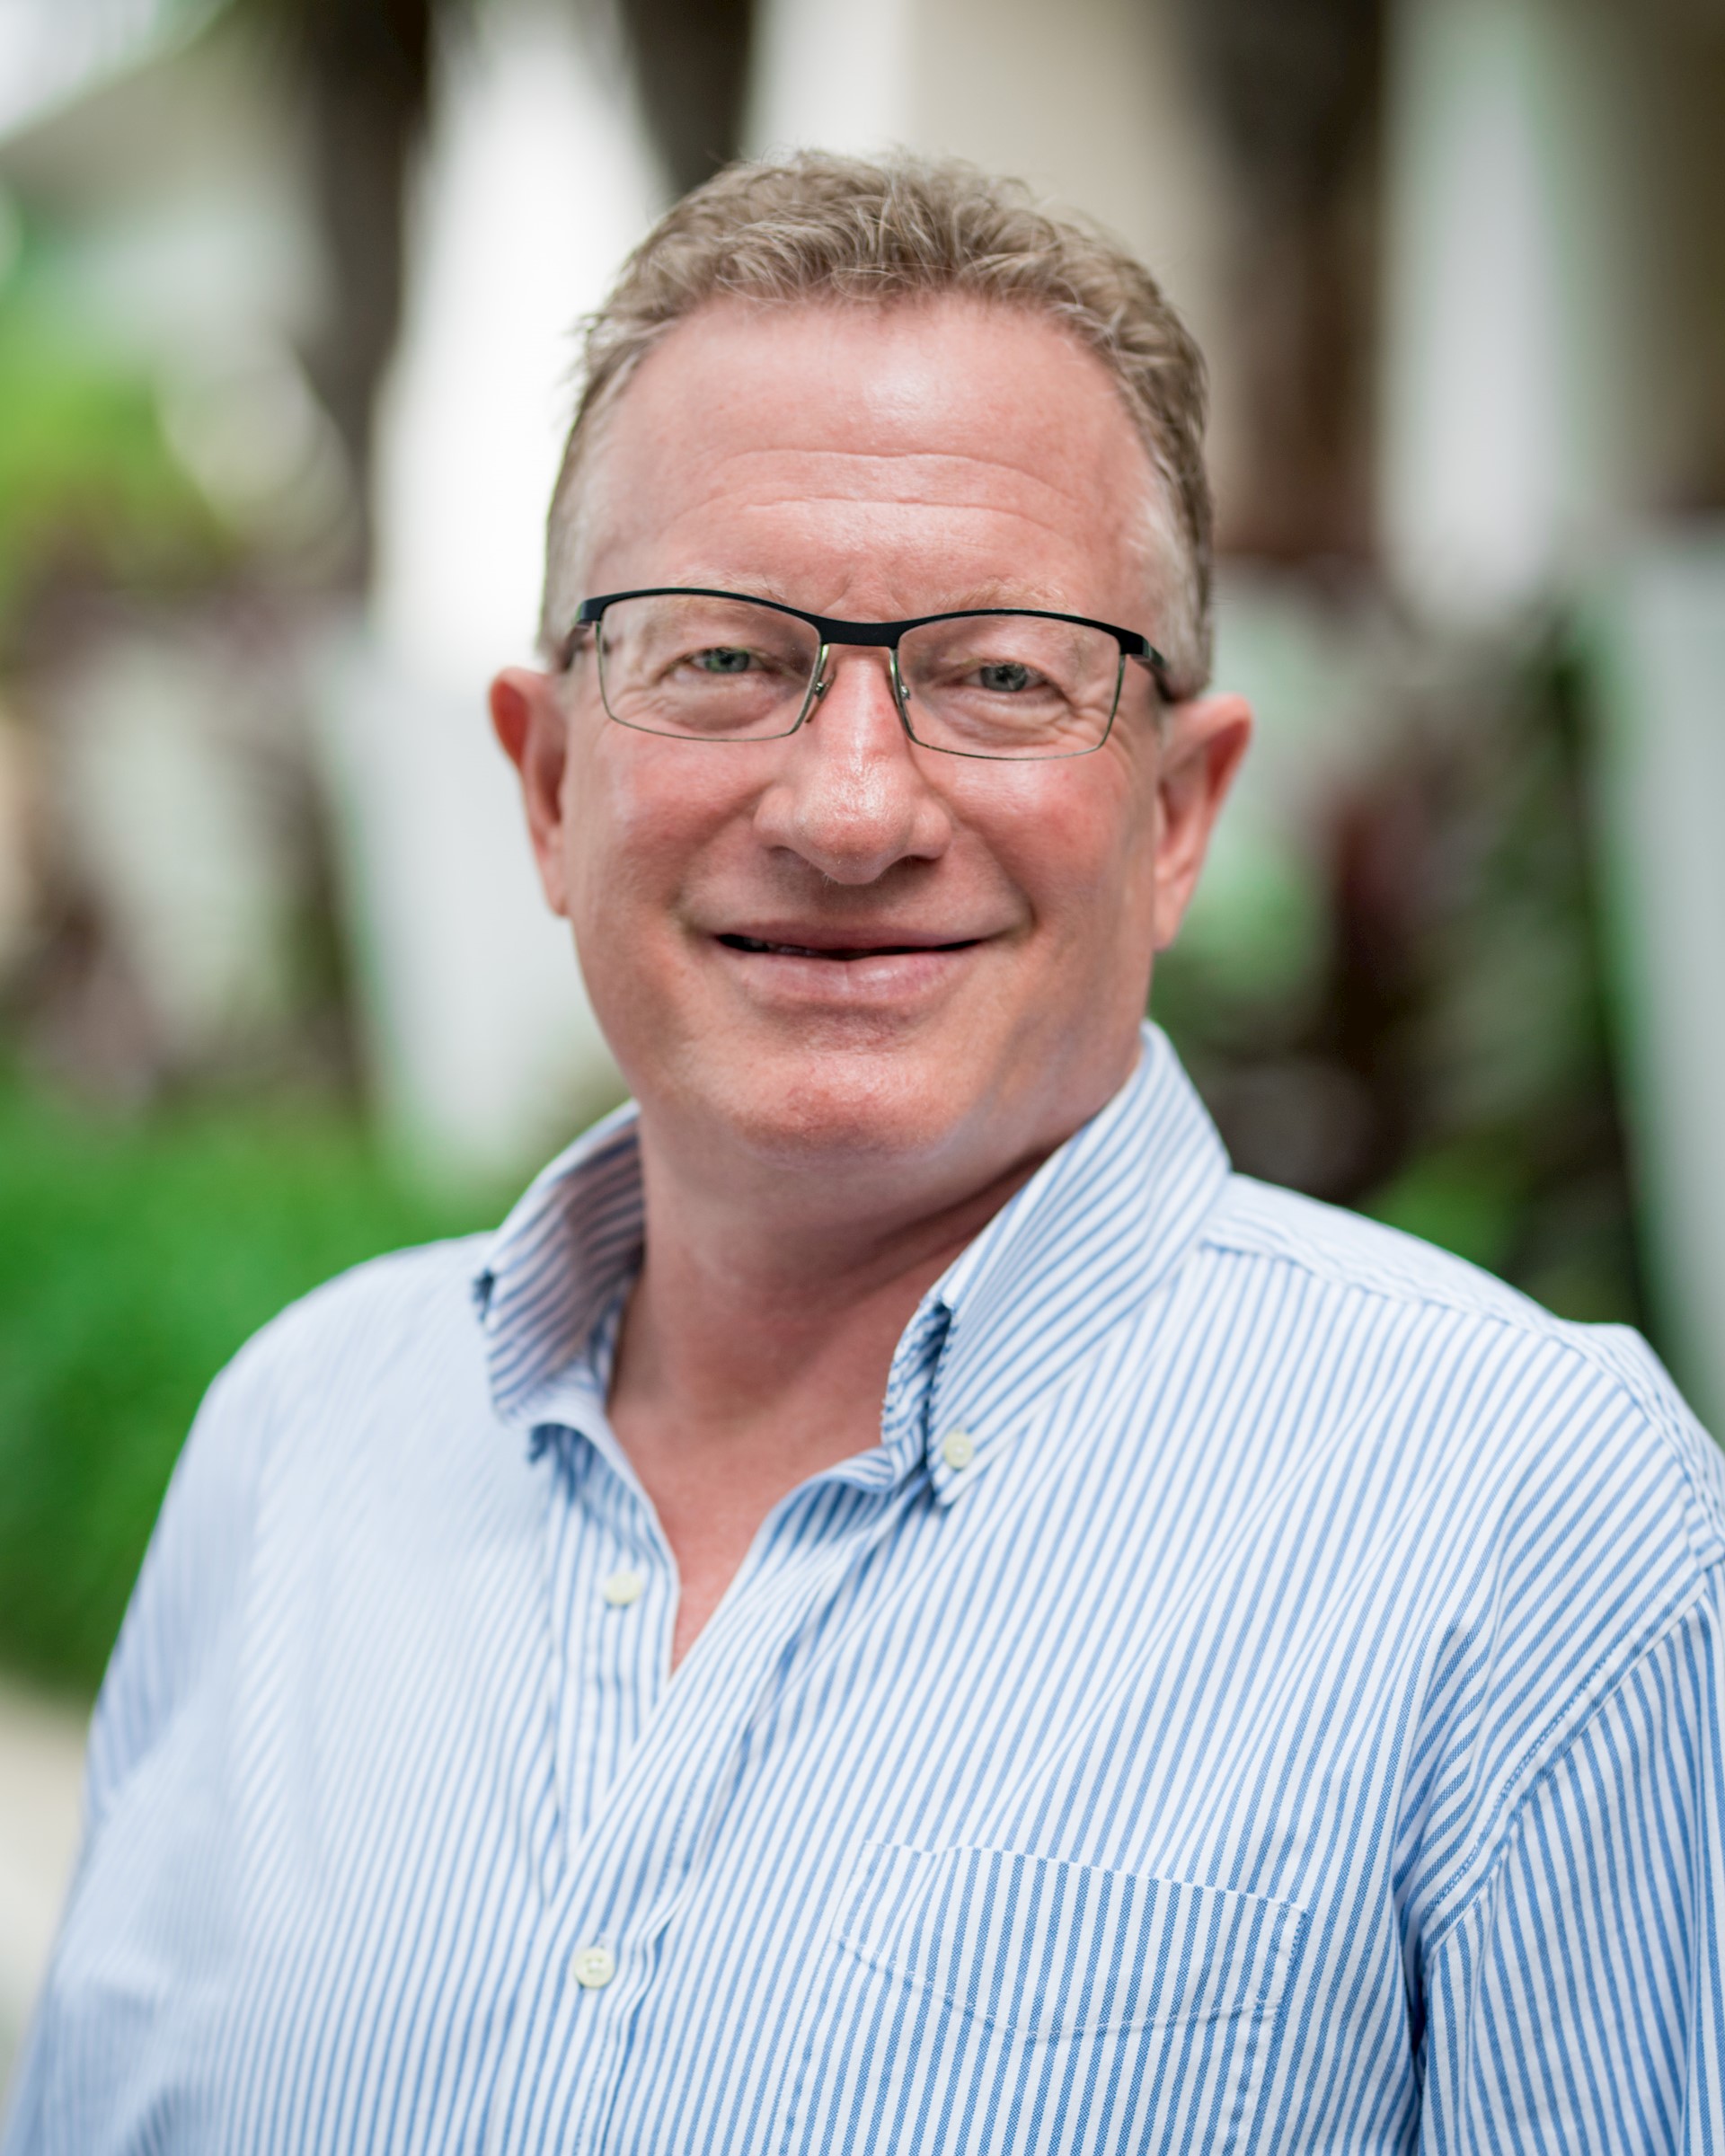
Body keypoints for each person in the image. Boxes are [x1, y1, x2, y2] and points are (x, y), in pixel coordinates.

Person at [7, 152, 1723, 2156]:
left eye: (1000, 672)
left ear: (1178, 813)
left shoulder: (1539, 1546)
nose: (846, 806)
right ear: (552, 782)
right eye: (723, 656)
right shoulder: (298, 1441)